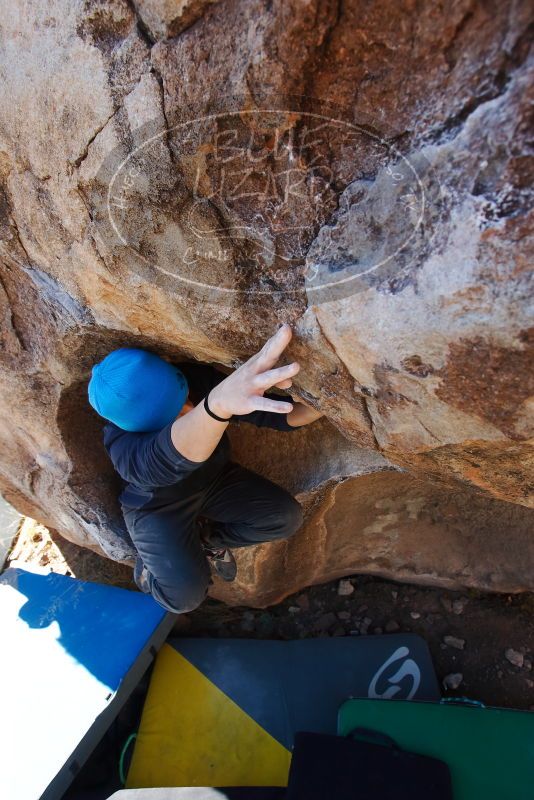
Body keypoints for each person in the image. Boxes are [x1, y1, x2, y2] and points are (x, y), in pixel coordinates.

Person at [87, 324, 323, 614]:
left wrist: (324, 402)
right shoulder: (127, 450)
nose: (188, 409)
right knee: (184, 598)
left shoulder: (190, 378)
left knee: (285, 518)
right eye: (173, 415)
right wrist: (217, 405)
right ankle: (151, 570)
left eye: (184, 397)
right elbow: (174, 455)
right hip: (158, 508)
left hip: (214, 480)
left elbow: (277, 415)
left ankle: (207, 539)